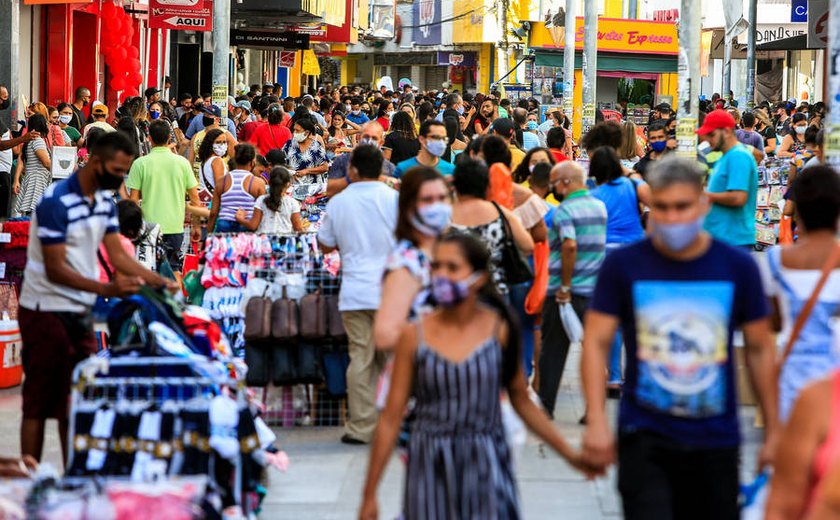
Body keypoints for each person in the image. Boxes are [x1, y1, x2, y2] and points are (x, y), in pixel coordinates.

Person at [580, 157, 779, 520]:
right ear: (649, 206)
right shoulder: (624, 266)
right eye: (662, 208)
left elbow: (761, 349)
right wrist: (596, 420)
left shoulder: (737, 267)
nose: (672, 218)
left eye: (682, 207)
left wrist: (774, 429)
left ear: (703, 203)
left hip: (716, 440)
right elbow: (595, 342)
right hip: (644, 437)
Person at [359, 232, 595, 520]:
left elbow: (521, 400)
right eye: (437, 267)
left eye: (453, 268)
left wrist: (570, 454)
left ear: (479, 277)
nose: (442, 276)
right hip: (430, 466)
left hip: (487, 464)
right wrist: (369, 494)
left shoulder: (499, 329)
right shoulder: (413, 336)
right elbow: (391, 417)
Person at [18, 131, 174, 463]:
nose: (121, 178)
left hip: (80, 309)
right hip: (45, 309)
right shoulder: (55, 202)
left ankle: (73, 475)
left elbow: (118, 255)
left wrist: (158, 281)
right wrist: (107, 289)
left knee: (78, 397)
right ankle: (28, 482)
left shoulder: (104, 202)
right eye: (118, 171)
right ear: (96, 162)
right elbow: (55, 268)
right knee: (40, 400)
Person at [317, 144, 399, 445]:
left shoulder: (339, 203)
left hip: (354, 292)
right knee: (391, 360)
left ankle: (362, 427)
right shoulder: (394, 200)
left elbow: (325, 244)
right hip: (391, 293)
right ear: (381, 169)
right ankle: (393, 423)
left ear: (351, 170)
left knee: (360, 358)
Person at [759, 166, 840, 422]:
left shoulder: (776, 260)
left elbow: (773, 323)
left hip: (792, 377)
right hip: (834, 378)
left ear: (799, 209)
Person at [538, 161, 607, 418]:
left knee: (553, 350)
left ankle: (545, 406)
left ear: (566, 182)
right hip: (593, 289)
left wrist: (565, 286)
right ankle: (594, 408)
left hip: (564, 291)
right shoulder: (599, 207)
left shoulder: (564, 210)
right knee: (592, 350)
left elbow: (569, 246)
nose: (553, 188)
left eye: (555, 182)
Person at [373, 167, 451, 351]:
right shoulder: (407, 263)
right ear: (409, 206)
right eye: (427, 200)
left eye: (442, 198)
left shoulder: (448, 250)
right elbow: (385, 335)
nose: (436, 206)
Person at [127, 120, 202, 278]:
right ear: (169, 137)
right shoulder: (182, 163)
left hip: (148, 228)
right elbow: (195, 199)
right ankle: (175, 302)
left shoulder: (140, 164)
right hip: (175, 226)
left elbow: (133, 201)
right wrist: (196, 225)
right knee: (174, 268)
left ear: (149, 138)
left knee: (148, 269)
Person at [450, 158, 534, 296]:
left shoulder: (447, 215)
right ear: (487, 186)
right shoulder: (500, 213)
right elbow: (528, 245)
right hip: (495, 292)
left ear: (456, 186)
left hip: (456, 292)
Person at [697, 109, 758, 250]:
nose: (707, 140)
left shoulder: (738, 156)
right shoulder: (726, 156)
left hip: (733, 239)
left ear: (726, 132)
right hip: (722, 237)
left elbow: (738, 197)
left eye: (712, 135)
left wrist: (704, 195)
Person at [208, 143, 266, 233]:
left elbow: (213, 213)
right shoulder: (258, 183)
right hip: (246, 226)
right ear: (252, 162)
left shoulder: (222, 182)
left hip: (224, 225)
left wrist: (209, 235)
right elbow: (262, 212)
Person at [327, 122, 395, 196]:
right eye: (366, 137)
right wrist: (350, 178)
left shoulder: (388, 167)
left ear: (381, 143)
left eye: (374, 138)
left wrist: (382, 179)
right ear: (359, 138)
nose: (369, 141)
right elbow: (330, 191)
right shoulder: (342, 160)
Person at [236, 166, 303, 234]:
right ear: (288, 185)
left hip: (264, 241)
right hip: (283, 242)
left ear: (269, 182)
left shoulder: (261, 200)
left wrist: (240, 219)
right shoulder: (292, 203)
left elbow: (253, 225)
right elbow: (298, 228)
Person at [13, 114, 52, 217]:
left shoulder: (29, 141)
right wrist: (60, 169)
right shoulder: (38, 141)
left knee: (31, 211)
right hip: (37, 180)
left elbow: (21, 159)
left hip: (30, 179)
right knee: (35, 212)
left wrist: (16, 179)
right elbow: (46, 163)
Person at [188, 105, 237, 178]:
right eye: (204, 114)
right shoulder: (196, 136)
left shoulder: (226, 136)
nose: (205, 116)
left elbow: (235, 158)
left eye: (209, 115)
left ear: (217, 119)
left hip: (219, 182)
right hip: (198, 183)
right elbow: (190, 161)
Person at [197, 128, 228, 193]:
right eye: (218, 142)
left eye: (224, 142)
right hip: (214, 200)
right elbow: (220, 187)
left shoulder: (205, 161)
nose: (222, 145)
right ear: (210, 144)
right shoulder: (217, 160)